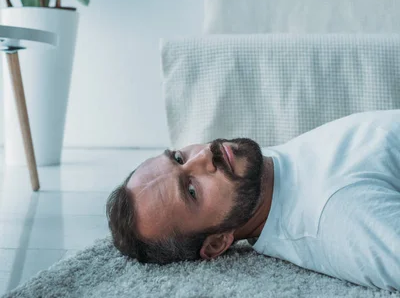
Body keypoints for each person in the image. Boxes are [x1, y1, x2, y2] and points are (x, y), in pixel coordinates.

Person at [106, 110, 400, 292]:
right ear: (217, 243)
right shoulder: (337, 216)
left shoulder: (259, 177)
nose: (204, 155)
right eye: (192, 190)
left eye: (179, 158)